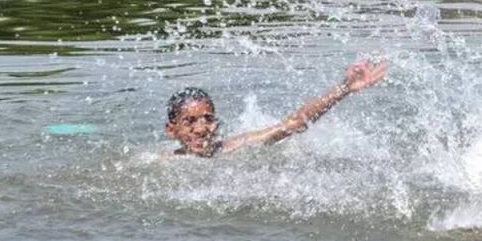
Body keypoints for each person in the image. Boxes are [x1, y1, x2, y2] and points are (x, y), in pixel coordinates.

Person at [164, 59, 387, 157]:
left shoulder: (232, 149)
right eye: (189, 122)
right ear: (171, 130)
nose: (202, 129)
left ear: (217, 123)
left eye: (207, 119)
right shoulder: (163, 164)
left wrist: (344, 88)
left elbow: (294, 124)